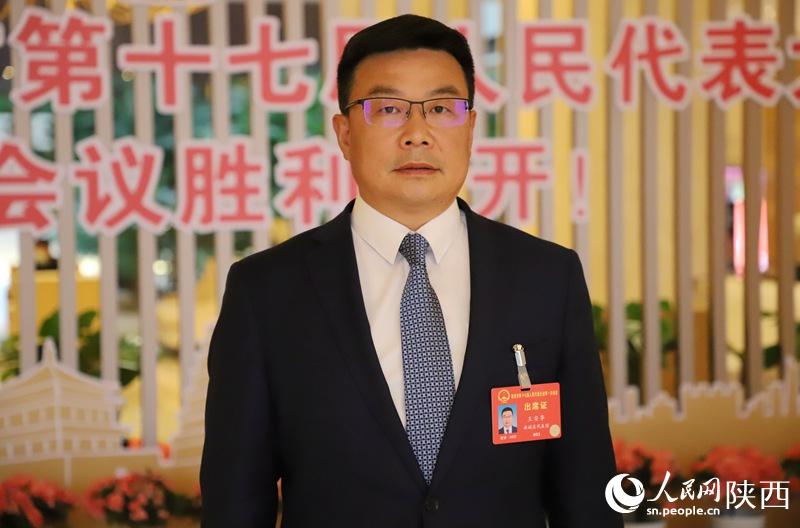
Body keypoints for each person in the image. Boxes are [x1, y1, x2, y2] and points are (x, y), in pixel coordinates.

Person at [200, 14, 622, 527]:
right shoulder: (266, 293)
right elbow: (235, 502)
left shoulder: (547, 278)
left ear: (470, 128)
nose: (417, 134)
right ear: (344, 133)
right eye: (387, 109)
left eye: (442, 108)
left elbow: (586, 490)